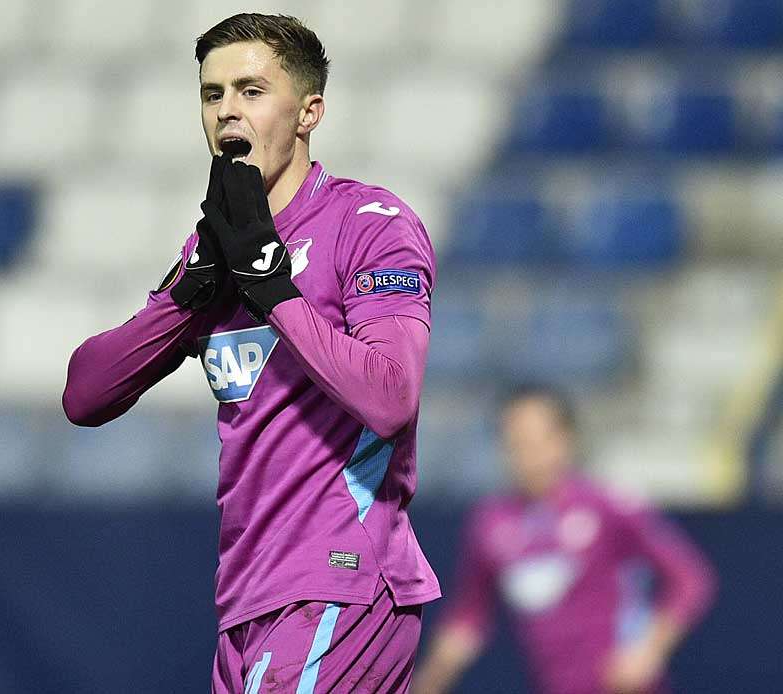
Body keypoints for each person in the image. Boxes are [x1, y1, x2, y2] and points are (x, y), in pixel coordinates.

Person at [64, 13, 439, 693]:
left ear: (308, 112)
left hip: (339, 580)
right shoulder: (213, 250)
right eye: (213, 94)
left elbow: (392, 398)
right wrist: (193, 289)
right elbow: (85, 396)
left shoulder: (370, 226)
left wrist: (273, 288)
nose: (228, 110)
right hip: (247, 598)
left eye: (251, 90)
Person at [413, 384, 716, 694]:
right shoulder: (492, 523)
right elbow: (468, 618)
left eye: (539, 440)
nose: (529, 455)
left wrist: (648, 649)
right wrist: (429, 683)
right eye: (516, 443)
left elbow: (689, 578)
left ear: (566, 439)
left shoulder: (607, 505)